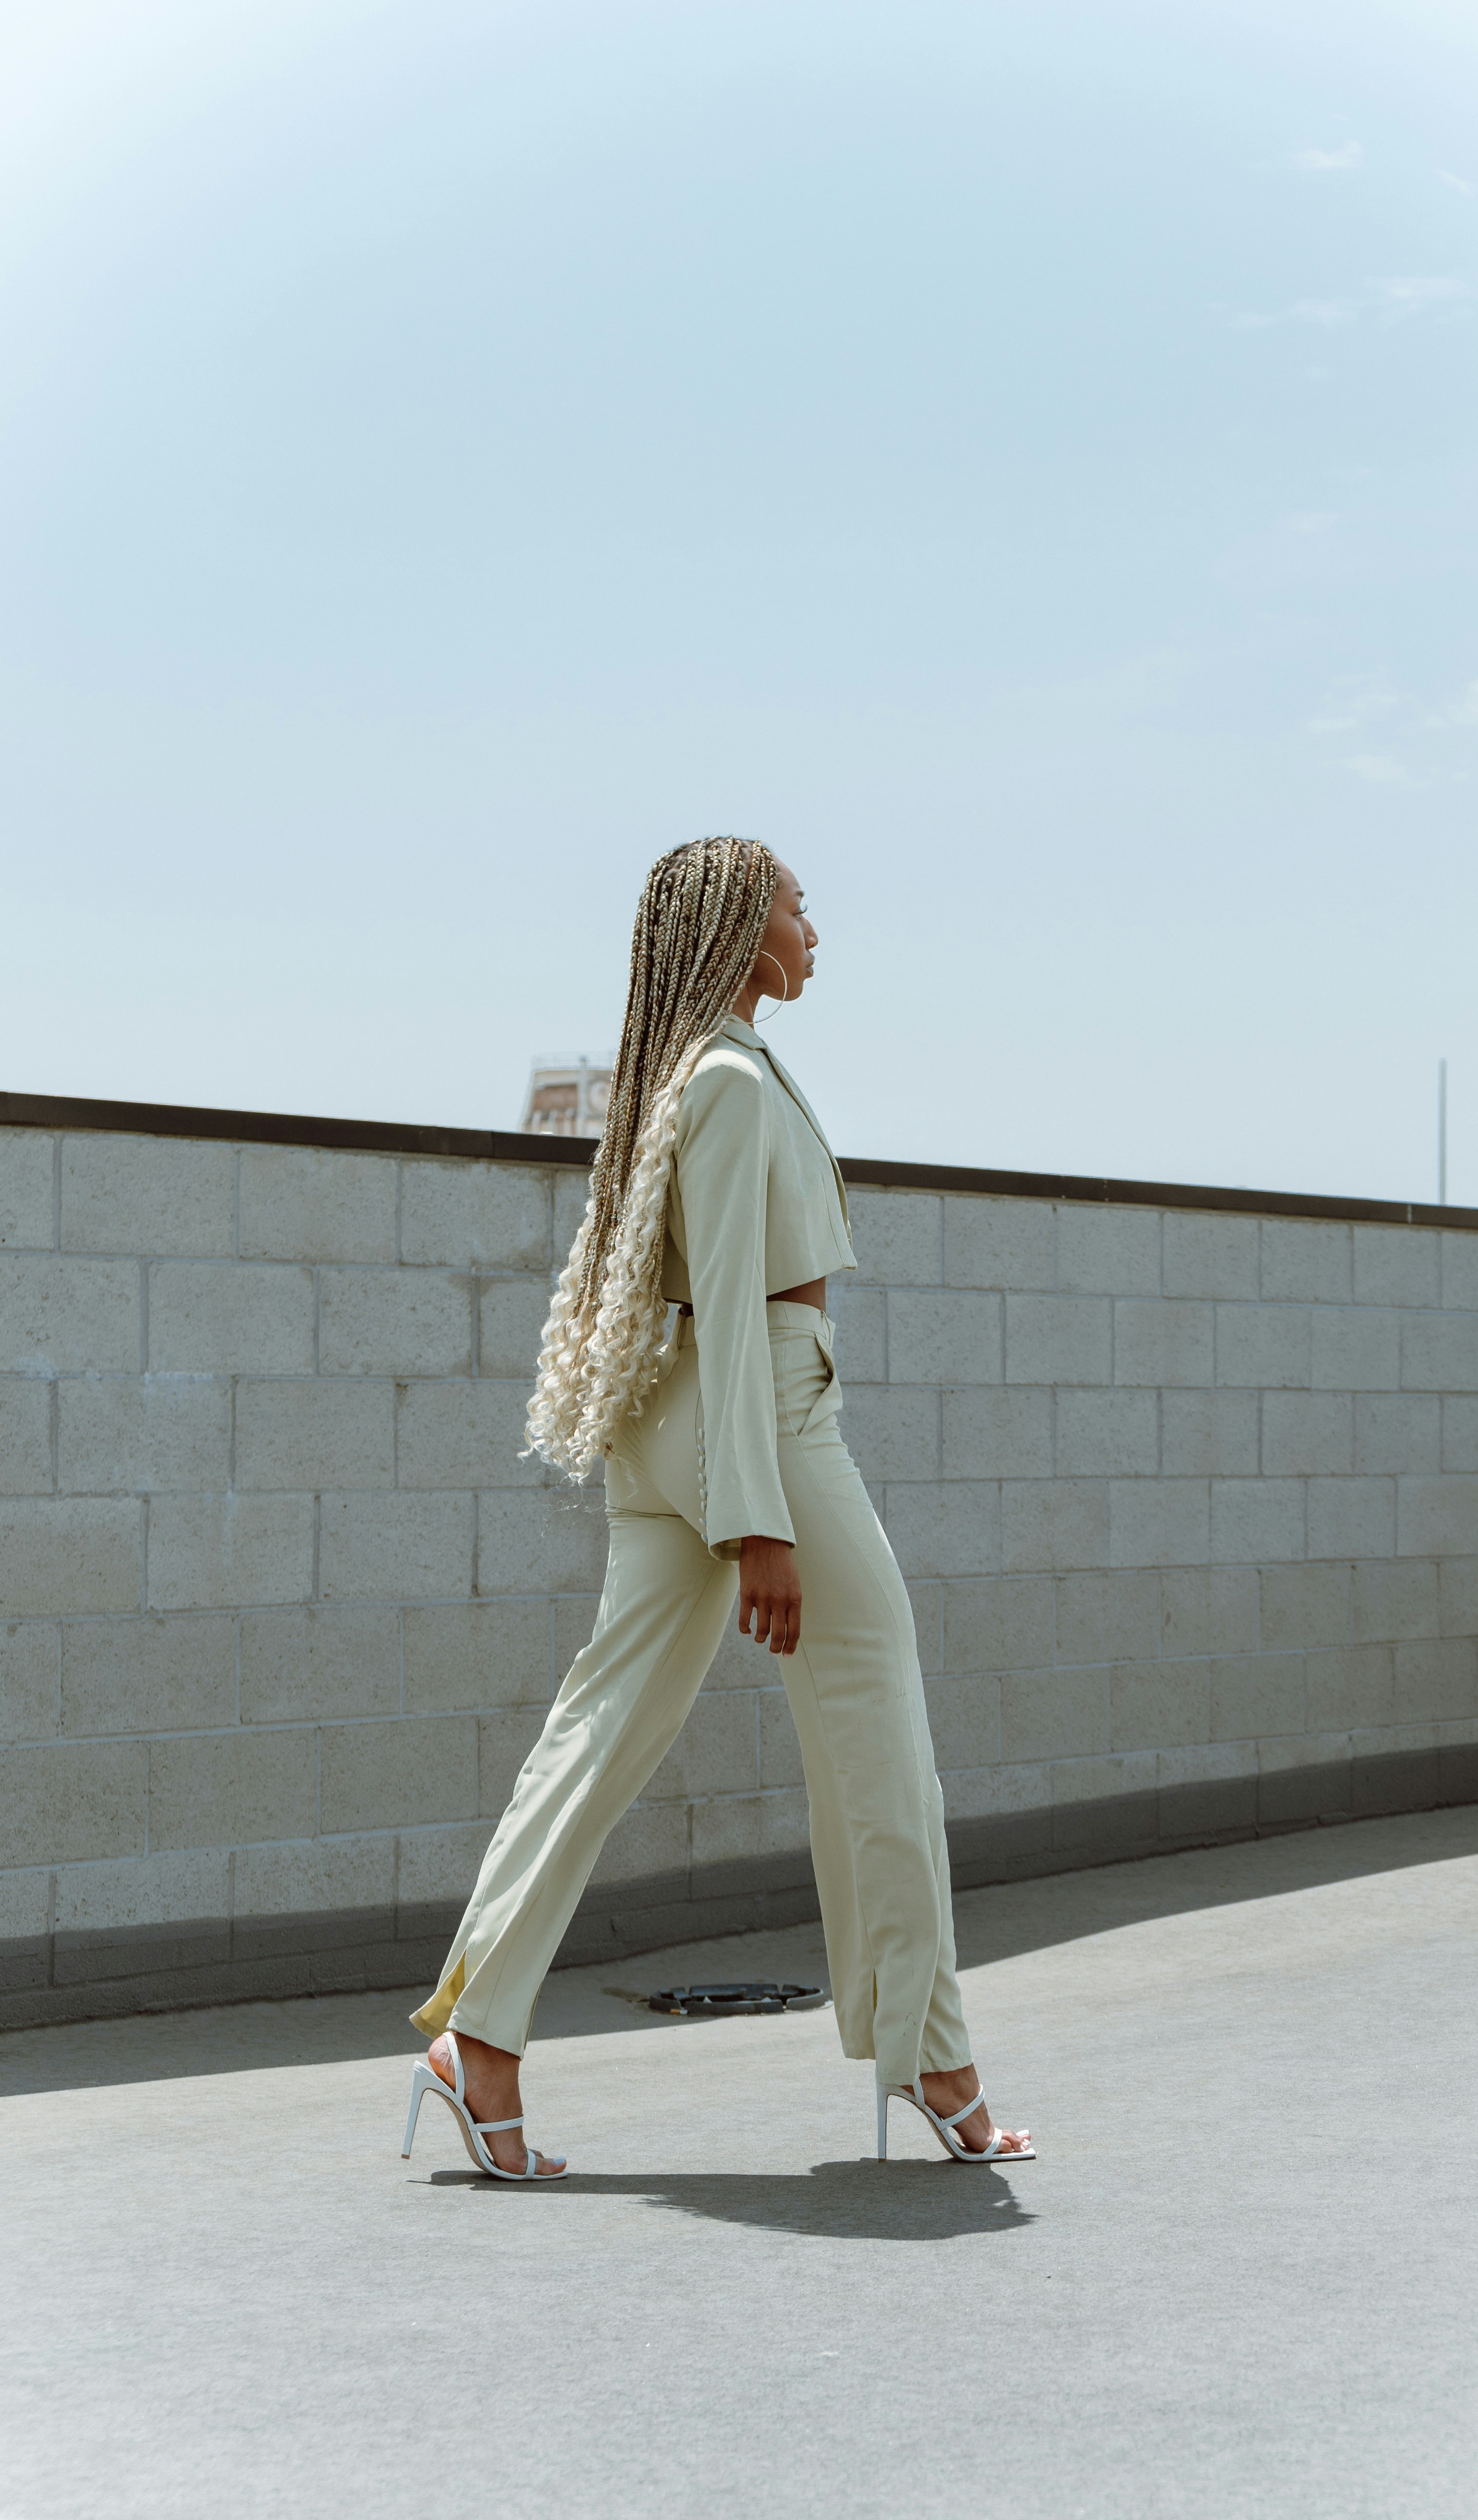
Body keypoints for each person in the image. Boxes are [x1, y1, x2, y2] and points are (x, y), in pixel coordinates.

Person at [402, 836, 1033, 2180]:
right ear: (746, 926)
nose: (817, 927)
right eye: (799, 905)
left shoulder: (692, 1074)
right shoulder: (733, 1084)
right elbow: (742, 1311)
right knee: (879, 1726)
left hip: (671, 1428)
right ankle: (933, 2056)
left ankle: (478, 2037)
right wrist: (760, 1524)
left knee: (597, 1732)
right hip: (767, 1428)